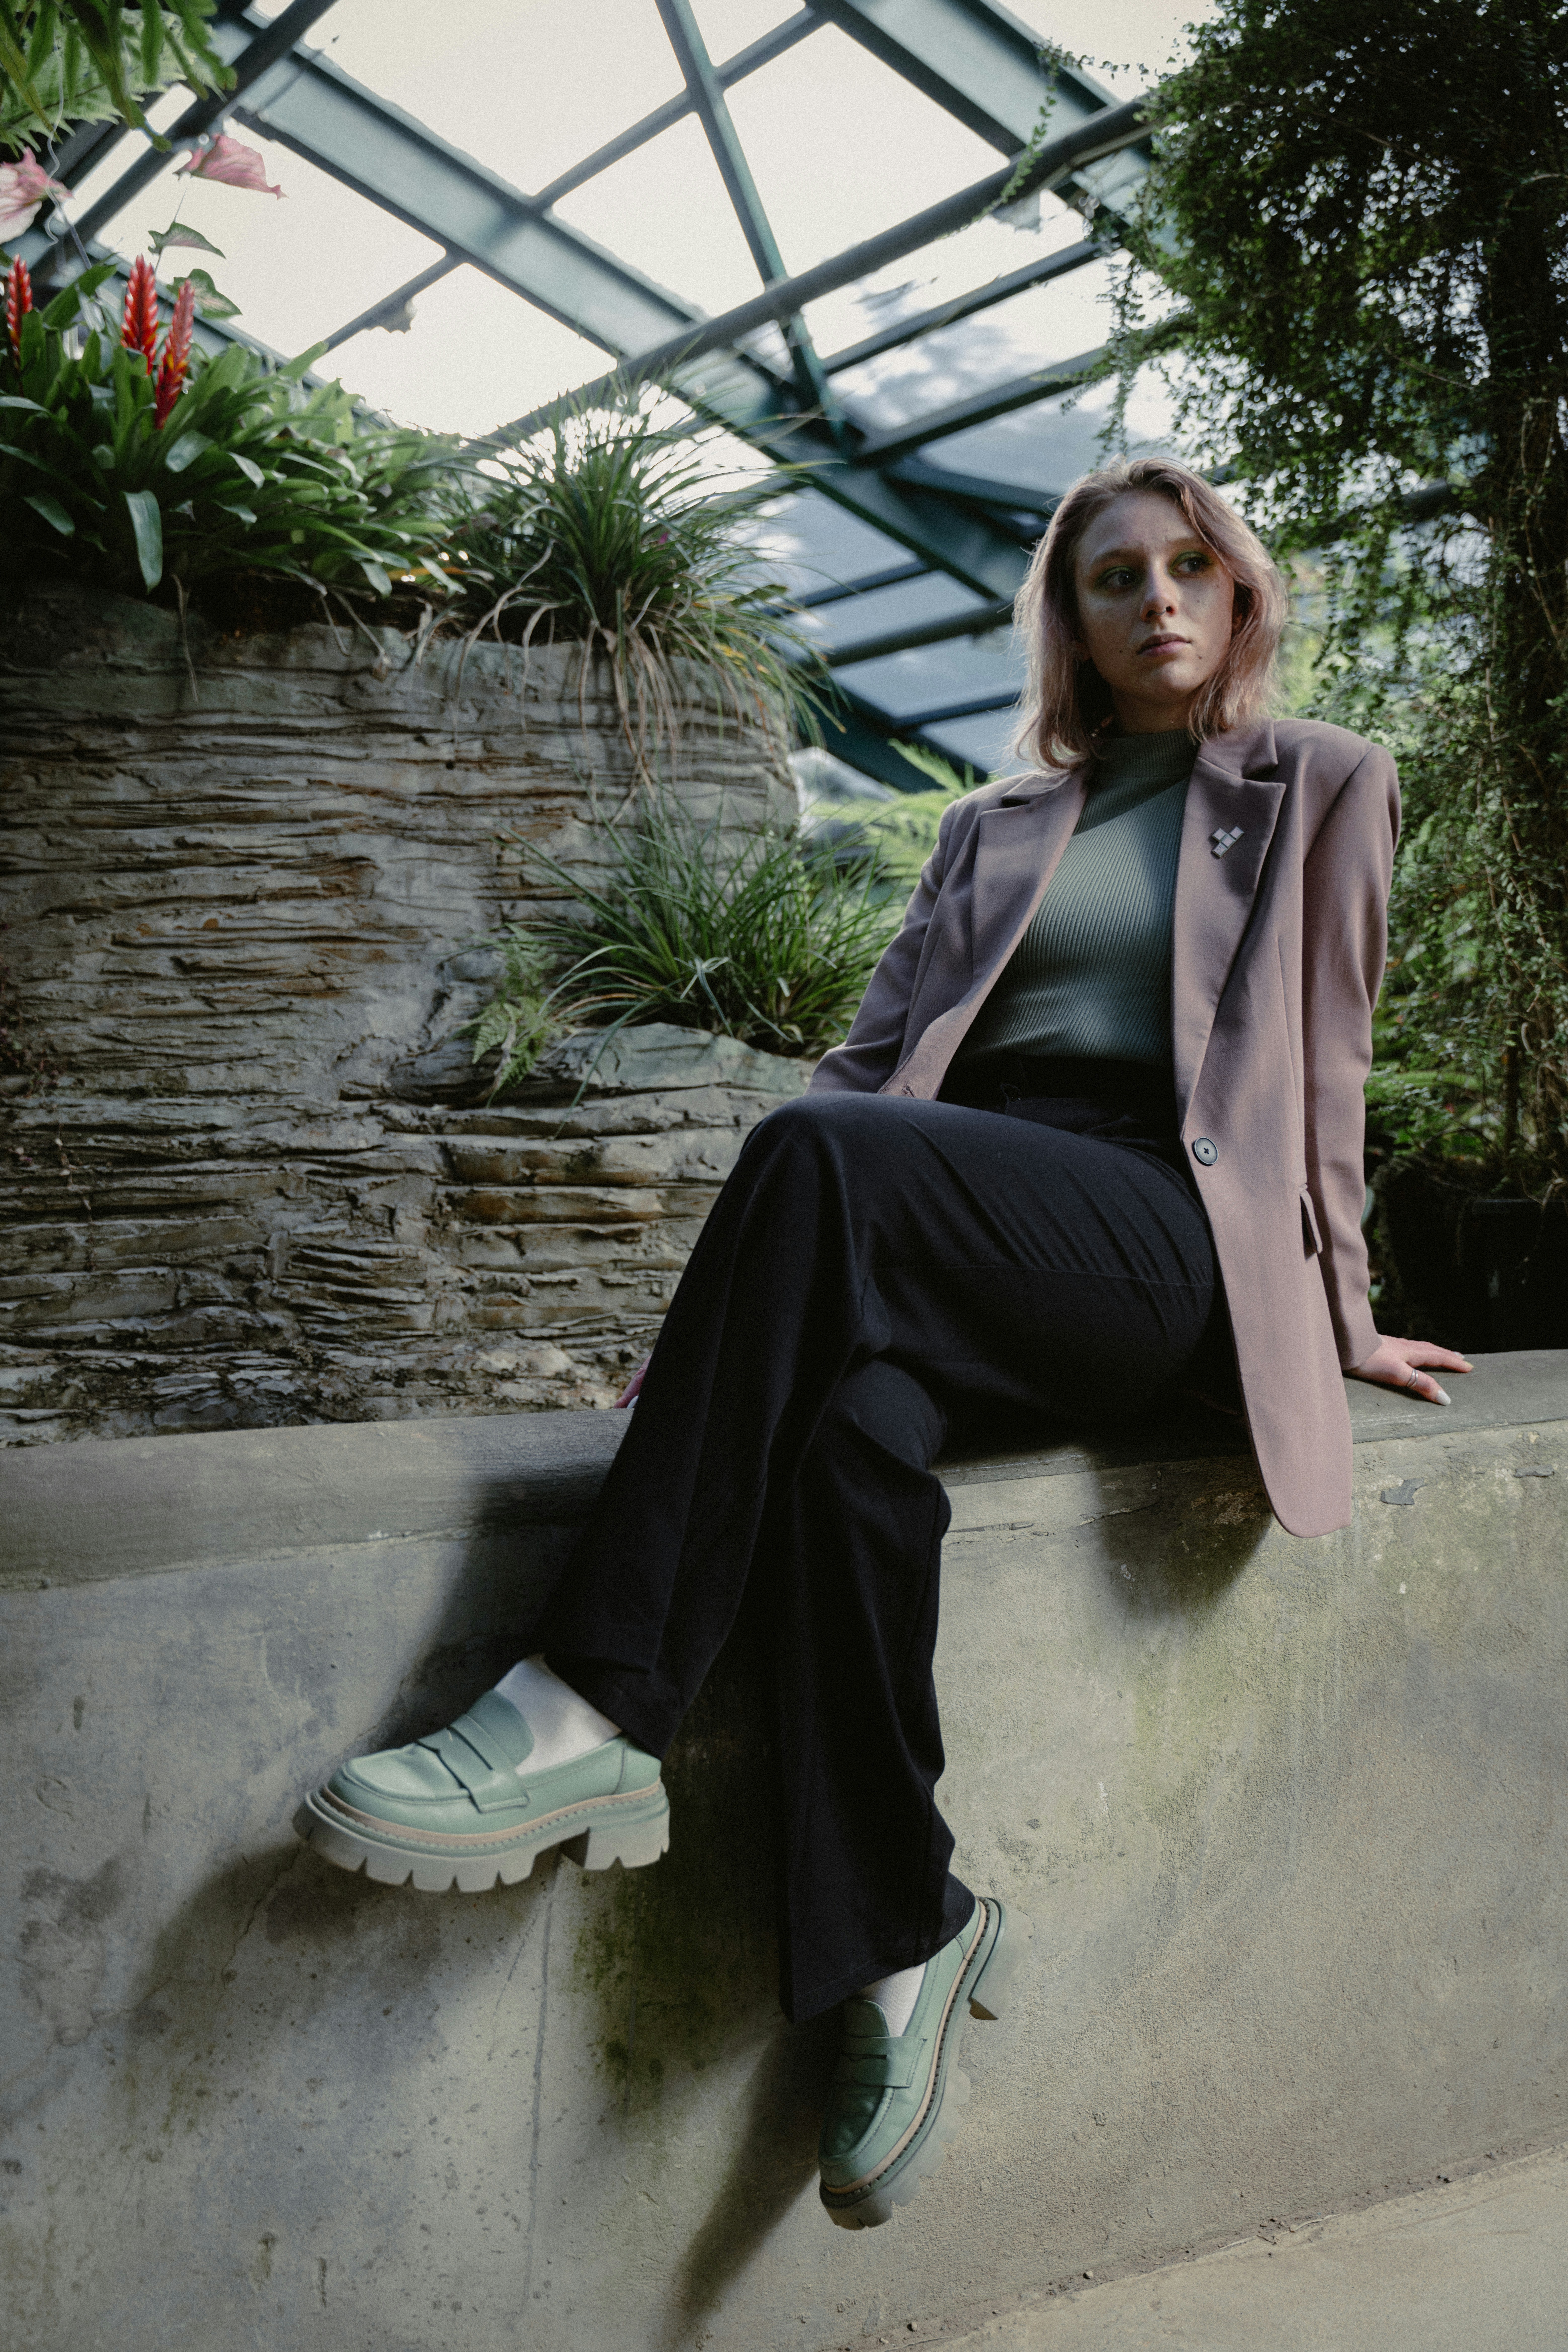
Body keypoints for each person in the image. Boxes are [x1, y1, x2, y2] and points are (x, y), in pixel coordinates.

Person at [295, 457, 1472, 2231]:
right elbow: (869, 1067)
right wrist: (722, 1327)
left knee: (823, 1156)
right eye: (1115, 577)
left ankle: (590, 1702)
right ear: (1071, 622)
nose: (1157, 599)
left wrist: (1346, 1314)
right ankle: (907, 1935)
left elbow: (1328, 1071)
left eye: (1188, 567)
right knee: (845, 1429)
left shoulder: (1323, 781)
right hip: (966, 1223)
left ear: (1238, 594)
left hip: (1168, 1230)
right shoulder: (993, 825)